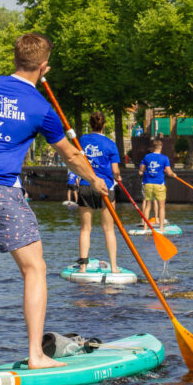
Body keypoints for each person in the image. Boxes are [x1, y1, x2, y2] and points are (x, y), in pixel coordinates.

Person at [0, 33, 107, 374]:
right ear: (44, 67)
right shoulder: (42, 109)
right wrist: (95, 180)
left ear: (15, 58)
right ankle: (36, 355)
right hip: (0, 190)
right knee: (34, 268)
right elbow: (70, 156)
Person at [77, 111, 122, 274]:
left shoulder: (82, 140)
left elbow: (78, 160)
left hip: (86, 185)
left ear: (90, 124)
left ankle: (83, 267)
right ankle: (114, 267)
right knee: (109, 229)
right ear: (104, 125)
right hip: (106, 187)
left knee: (85, 229)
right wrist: (118, 176)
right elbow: (115, 170)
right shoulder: (111, 144)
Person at [138, 139, 177, 232]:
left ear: (153, 148)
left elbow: (141, 169)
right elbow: (169, 172)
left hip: (148, 184)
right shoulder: (164, 158)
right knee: (161, 206)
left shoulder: (147, 157)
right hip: (159, 184)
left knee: (148, 206)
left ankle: (145, 227)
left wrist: (141, 171)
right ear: (161, 148)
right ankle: (161, 228)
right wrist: (173, 175)